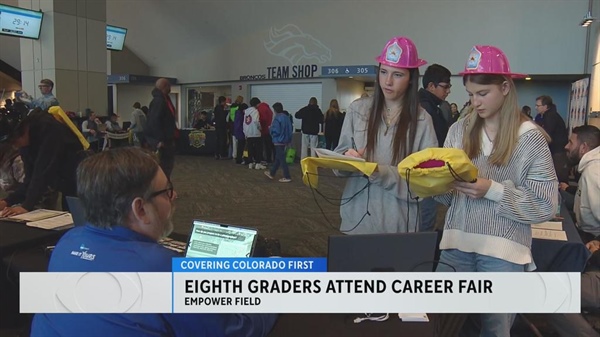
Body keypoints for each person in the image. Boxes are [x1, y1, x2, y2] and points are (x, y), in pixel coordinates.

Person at [30, 147, 278, 337]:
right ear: (140, 208)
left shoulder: (67, 242)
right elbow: (235, 330)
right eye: (166, 191)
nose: (175, 196)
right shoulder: (159, 268)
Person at [434, 45, 557, 336]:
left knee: (495, 331)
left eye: (482, 93)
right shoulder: (459, 131)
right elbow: (444, 197)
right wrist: (431, 181)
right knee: (436, 324)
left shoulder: (530, 139)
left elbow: (544, 205)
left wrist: (492, 190)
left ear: (505, 87)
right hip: (455, 246)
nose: (475, 102)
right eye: (470, 94)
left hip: (504, 254)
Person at [336, 36, 437, 234]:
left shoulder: (422, 120)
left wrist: (379, 172)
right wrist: (346, 160)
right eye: (383, 72)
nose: (388, 81)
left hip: (399, 225)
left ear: (410, 79)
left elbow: (426, 183)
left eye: (397, 75)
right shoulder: (357, 110)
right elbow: (339, 164)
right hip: (356, 222)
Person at [0, 108, 85, 216]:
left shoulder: (49, 128)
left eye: (14, 141)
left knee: (78, 217)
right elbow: (29, 179)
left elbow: (43, 170)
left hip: (80, 179)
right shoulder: (26, 142)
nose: (14, 146)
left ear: (24, 128)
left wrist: (26, 206)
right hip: (64, 182)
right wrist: (7, 201)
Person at [564, 125, 600, 241]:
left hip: (590, 237)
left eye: (570, 143)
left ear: (583, 147)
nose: (566, 146)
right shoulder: (591, 168)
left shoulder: (593, 171)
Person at [145, 78, 178, 179]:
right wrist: (159, 139)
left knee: (166, 165)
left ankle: (164, 185)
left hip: (166, 139)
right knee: (164, 165)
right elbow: (154, 121)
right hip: (162, 140)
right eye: (169, 86)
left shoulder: (164, 100)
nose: (170, 88)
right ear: (165, 87)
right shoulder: (159, 101)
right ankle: (162, 186)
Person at [535, 95, 570, 184]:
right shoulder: (549, 115)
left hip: (557, 152)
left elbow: (546, 135)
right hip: (555, 151)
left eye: (538, 106)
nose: (536, 108)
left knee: (558, 179)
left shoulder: (550, 117)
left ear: (545, 107)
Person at [264, 102, 293, 182]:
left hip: (278, 140)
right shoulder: (287, 117)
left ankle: (287, 176)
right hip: (285, 140)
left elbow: (276, 130)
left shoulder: (277, 118)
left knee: (282, 159)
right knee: (278, 157)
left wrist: (271, 130)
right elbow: (290, 129)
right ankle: (272, 173)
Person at [244, 98, 266, 170]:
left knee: (250, 149)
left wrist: (245, 132)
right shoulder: (255, 111)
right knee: (258, 149)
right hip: (256, 133)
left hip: (248, 133)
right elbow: (256, 121)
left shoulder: (246, 112)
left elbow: (244, 123)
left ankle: (250, 163)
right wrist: (260, 128)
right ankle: (258, 163)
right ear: (257, 104)